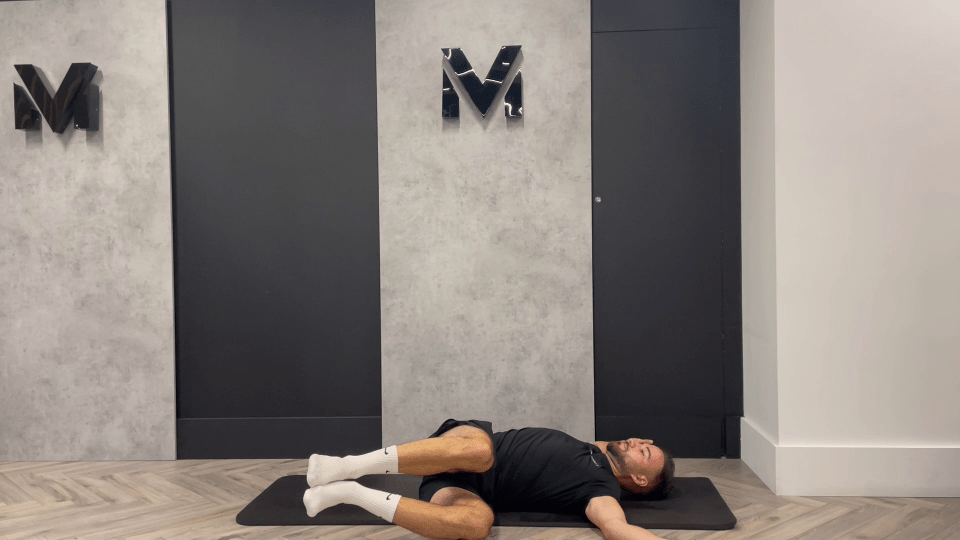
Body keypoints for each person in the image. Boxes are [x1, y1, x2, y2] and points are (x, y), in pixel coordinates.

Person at [303, 418, 676, 540]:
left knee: (478, 524)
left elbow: (617, 529)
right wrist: (636, 447)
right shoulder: (597, 446)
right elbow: (624, 446)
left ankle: (351, 492)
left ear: (640, 480)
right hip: (470, 443)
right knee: (481, 454)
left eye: (643, 451)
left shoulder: (603, 490)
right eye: (643, 441)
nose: (637, 442)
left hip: (464, 488)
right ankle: (348, 465)